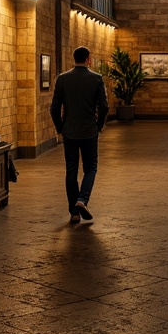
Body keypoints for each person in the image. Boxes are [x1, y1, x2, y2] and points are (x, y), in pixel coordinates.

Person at [49, 45, 109, 224]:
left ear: (74, 58)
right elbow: (104, 106)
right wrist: (98, 125)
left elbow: (54, 108)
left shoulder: (63, 79)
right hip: (89, 131)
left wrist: (61, 127)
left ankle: (74, 212)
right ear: (88, 59)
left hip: (70, 132)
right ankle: (82, 200)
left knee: (71, 170)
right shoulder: (96, 79)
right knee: (91, 168)